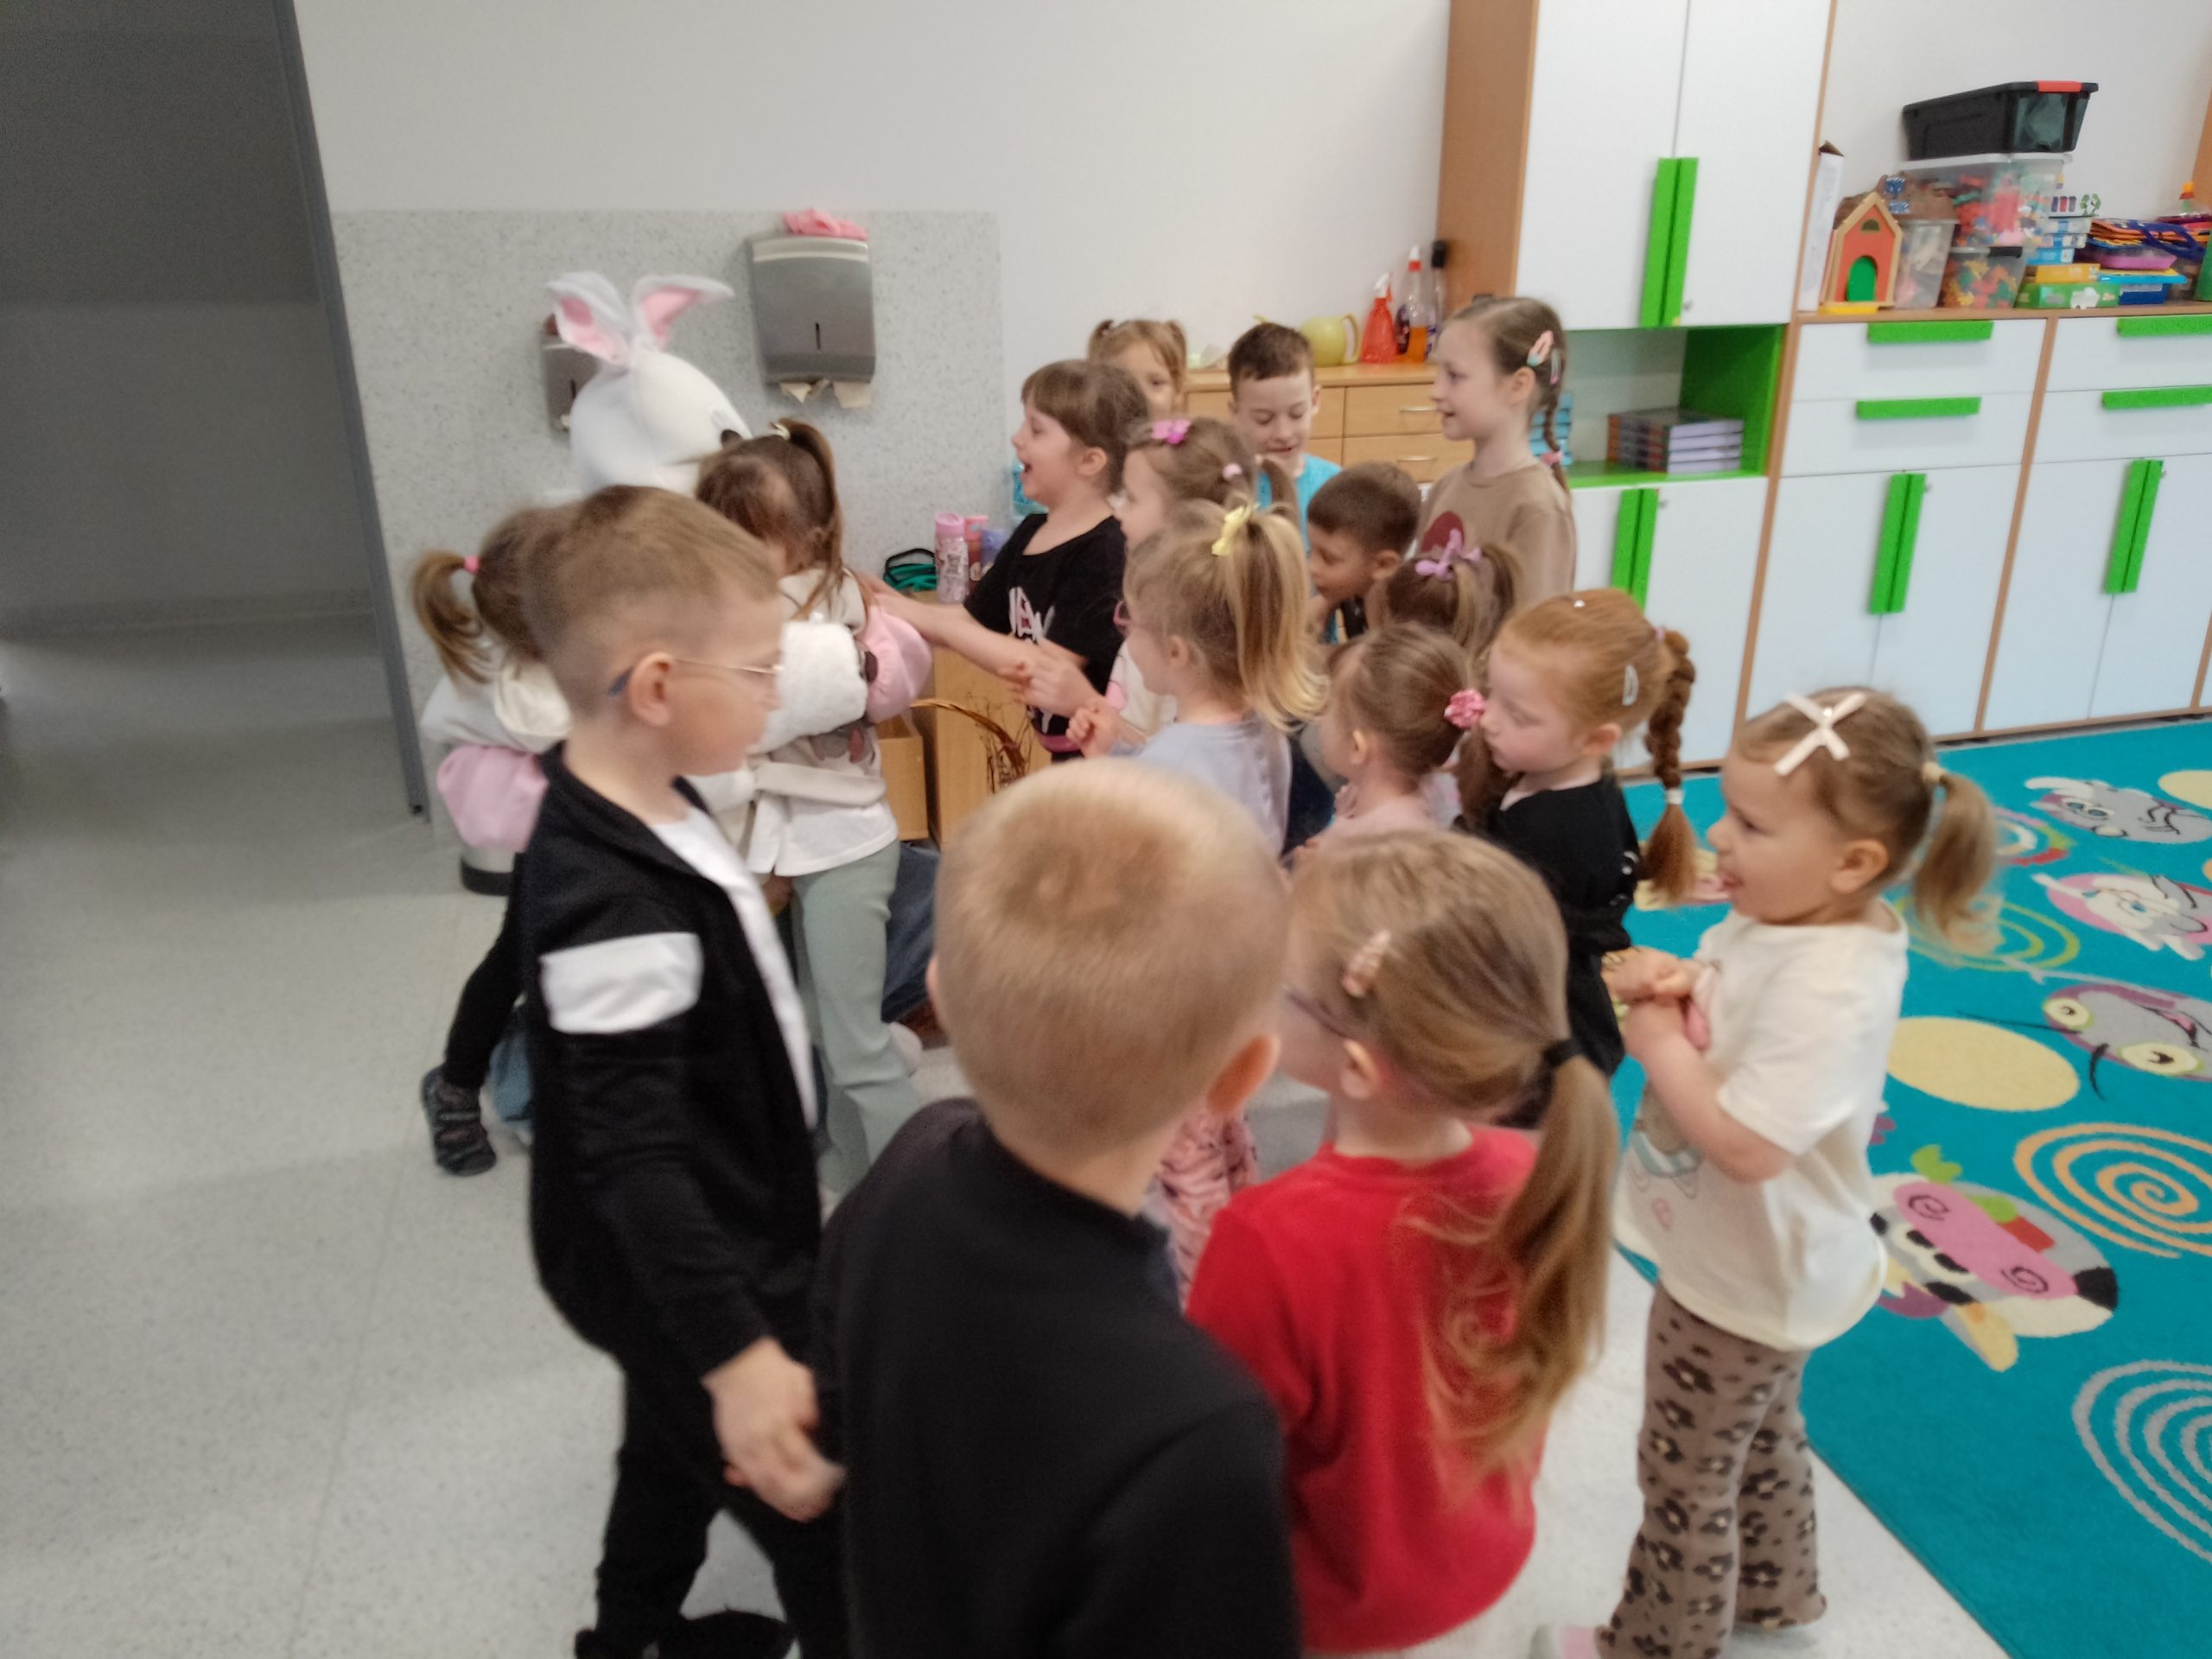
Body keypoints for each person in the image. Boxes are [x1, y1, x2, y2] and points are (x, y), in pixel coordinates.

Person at [1539, 689, 1996, 1659]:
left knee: (1684, 1474)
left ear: (1852, 862)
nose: (1717, 834)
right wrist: (1690, 982)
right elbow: (1743, 992)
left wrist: (1659, 1042)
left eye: (1751, 824)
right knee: (1761, 1429)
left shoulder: (1829, 986)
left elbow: (1750, 1147)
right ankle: (1776, 1591)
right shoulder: (1796, 918)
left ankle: (1655, 1647)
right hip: (1766, 1261)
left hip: (1749, 1273)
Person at [824, 762, 1300, 1659]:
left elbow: (834, 1398)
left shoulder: (904, 1168)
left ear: (941, 996)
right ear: (1241, 1077)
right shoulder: (1203, 1429)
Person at [515, 486, 848, 1659]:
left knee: (665, 1448)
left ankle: (627, 1639)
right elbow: (634, 1160)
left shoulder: (645, 794)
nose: (775, 694)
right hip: (686, 1254)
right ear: (656, 688)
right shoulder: (612, 904)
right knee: (824, 1528)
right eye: (759, 673)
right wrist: (741, 1355)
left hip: (698, 1226)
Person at [1190, 830, 1614, 1656]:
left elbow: (1216, 1462)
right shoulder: (1532, 1174)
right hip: (1479, 1569)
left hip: (1336, 1611)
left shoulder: (1267, 1238)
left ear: (1356, 1068)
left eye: (1280, 983)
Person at [696, 422, 923, 1192]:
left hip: (845, 846)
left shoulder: (825, 609)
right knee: (820, 1025)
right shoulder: (750, 609)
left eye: (746, 540)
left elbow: (756, 710)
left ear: (808, 539)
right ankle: (856, 1170)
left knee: (855, 1044)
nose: (725, 557)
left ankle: (907, 1200)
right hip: (794, 844)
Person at [1458, 589, 1698, 1083]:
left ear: (1596, 739)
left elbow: (1503, 939)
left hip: (1541, 1038)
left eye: (1519, 715)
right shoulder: (1558, 777)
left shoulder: (1557, 833)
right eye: (1492, 693)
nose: (1489, 719)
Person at [412, 505, 576, 1174]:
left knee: (540, 965)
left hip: (582, 848)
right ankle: (455, 1085)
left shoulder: (526, 662)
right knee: (520, 963)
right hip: (554, 849)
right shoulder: (522, 692)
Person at [875, 359, 1145, 757]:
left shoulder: (1104, 554)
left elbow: (1046, 669)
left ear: (1089, 460)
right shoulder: (1031, 532)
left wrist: (922, 619)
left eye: (1036, 429)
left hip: (1106, 756)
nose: (1017, 439)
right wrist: (892, 606)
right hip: (1064, 750)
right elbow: (972, 619)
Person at [1007, 414, 1287, 743]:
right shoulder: (1176, 607)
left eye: (1132, 498)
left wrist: (1084, 701)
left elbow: (1172, 763)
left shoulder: (1183, 627)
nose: (1119, 511)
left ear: (1181, 519)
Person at [1420, 296, 1576, 601]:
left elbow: (1536, 627)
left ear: (1518, 386)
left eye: (1454, 376)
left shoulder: (1538, 508)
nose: (1435, 391)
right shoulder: (1444, 488)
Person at [1315, 625, 1478, 842]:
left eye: (1327, 707)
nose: (1318, 719)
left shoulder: (1380, 844)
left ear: (1357, 747)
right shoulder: (1369, 797)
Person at [1229, 321, 1342, 537]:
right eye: (1264, 419)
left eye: (1296, 414)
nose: (1283, 433)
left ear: (1315, 400)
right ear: (1236, 412)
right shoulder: (1228, 486)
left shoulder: (1337, 485)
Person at [1305, 461, 1420, 645]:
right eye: (1312, 550)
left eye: (1329, 559)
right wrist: (1324, 603)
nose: (1312, 567)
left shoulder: (1405, 624)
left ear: (1384, 565)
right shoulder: (1359, 583)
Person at [1088, 315, 1188, 421]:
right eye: (1125, 386)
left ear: (1177, 389)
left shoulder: (1190, 431)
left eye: (1155, 383)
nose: (1143, 397)